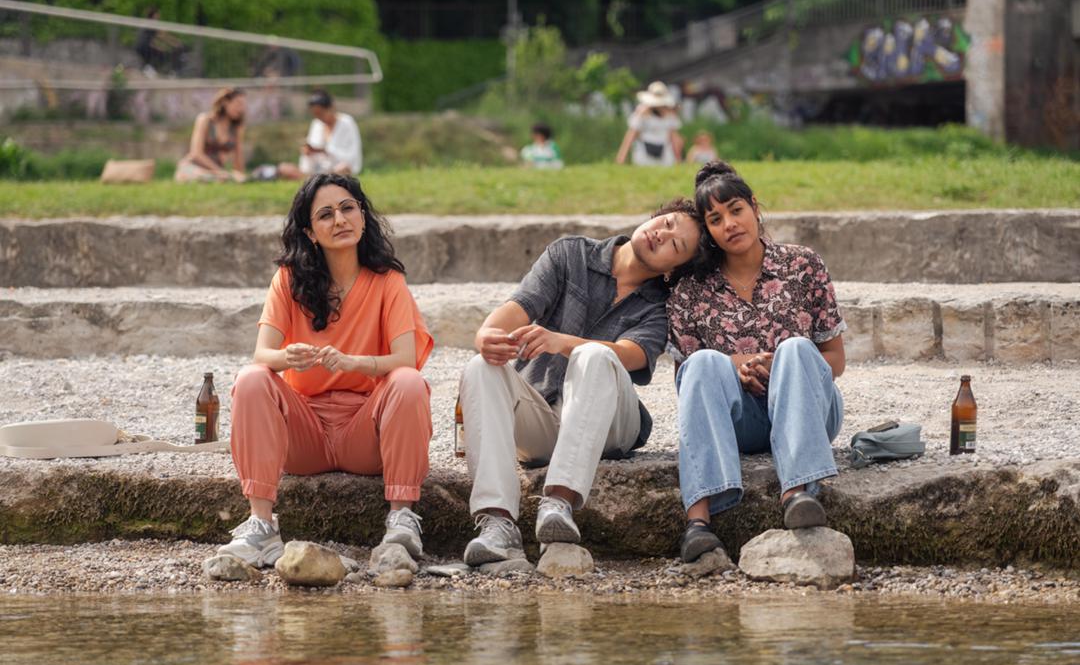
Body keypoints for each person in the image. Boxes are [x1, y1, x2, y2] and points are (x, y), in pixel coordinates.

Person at [457, 201, 702, 567]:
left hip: (610, 427)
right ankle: (497, 525)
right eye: (666, 223)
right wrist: (486, 336)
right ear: (654, 217)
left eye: (675, 245)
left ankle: (558, 504)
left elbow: (630, 354)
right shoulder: (569, 254)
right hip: (543, 417)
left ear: (673, 270)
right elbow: (515, 309)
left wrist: (561, 342)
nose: (661, 234)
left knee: (596, 356)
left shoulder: (663, 306)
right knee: (480, 367)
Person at [217, 173, 434, 567]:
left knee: (408, 381)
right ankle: (261, 526)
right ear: (311, 232)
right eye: (326, 214)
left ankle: (402, 518)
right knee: (251, 379)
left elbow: (406, 358)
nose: (340, 220)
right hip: (305, 437)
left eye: (348, 208)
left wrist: (356, 364)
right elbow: (262, 355)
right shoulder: (288, 280)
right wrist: (290, 357)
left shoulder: (389, 282)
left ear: (364, 217)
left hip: (365, 435)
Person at [668, 160, 847, 564]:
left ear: (755, 207)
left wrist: (783, 369)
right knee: (698, 364)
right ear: (708, 232)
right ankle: (698, 523)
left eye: (736, 210)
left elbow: (835, 360)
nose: (729, 223)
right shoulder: (690, 290)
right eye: (715, 219)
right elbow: (689, 382)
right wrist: (737, 367)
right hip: (742, 423)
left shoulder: (802, 265)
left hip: (811, 409)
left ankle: (797, 494)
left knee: (797, 349)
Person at [277, 90, 362, 181]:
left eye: (321, 113)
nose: (319, 118)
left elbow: (352, 158)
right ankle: (314, 179)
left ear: (331, 108)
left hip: (338, 169)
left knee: (342, 168)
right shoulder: (316, 124)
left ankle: (316, 180)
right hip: (317, 171)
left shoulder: (347, 123)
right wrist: (308, 152)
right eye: (315, 114)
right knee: (283, 167)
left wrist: (325, 151)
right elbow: (310, 158)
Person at [175, 87, 247, 183]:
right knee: (203, 177)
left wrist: (241, 176)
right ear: (225, 102)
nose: (241, 109)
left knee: (223, 179)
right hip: (194, 168)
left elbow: (238, 156)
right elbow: (196, 153)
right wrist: (220, 172)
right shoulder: (205, 120)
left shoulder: (236, 127)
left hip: (217, 173)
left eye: (243, 105)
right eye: (238, 104)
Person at [615, 81, 683, 166]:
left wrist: (678, 159)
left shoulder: (670, 115)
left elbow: (674, 137)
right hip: (644, 152)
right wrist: (621, 157)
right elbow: (631, 134)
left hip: (664, 152)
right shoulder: (642, 113)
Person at [134, 7, 186, 77]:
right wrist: (177, 43)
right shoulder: (153, 23)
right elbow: (164, 36)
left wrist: (160, 47)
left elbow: (151, 39)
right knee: (163, 55)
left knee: (157, 55)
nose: (159, 16)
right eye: (158, 14)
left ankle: (148, 70)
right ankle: (169, 73)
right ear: (154, 15)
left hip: (138, 47)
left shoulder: (146, 22)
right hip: (145, 47)